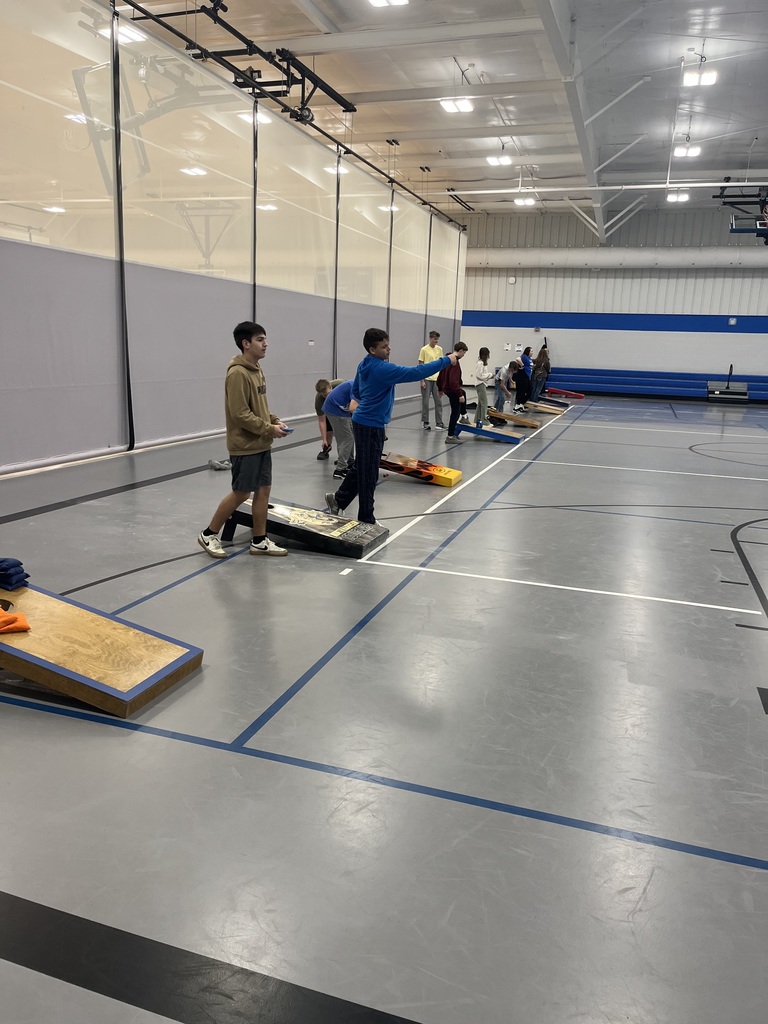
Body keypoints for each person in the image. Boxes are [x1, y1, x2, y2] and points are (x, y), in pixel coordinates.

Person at [325, 328, 456, 524]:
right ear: (372, 350)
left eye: (388, 345)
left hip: (364, 421)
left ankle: (338, 499)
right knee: (369, 474)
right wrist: (446, 361)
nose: (389, 349)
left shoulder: (365, 363)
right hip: (370, 425)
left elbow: (357, 390)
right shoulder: (381, 368)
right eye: (384, 347)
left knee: (363, 467)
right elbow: (416, 372)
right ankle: (366, 517)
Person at [198, 321, 291, 559]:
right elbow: (240, 414)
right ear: (246, 343)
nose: (265, 344)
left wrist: (274, 421)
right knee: (241, 493)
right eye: (260, 340)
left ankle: (259, 541)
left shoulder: (257, 369)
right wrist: (268, 429)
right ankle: (209, 533)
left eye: (265, 339)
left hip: (261, 443)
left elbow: (260, 407)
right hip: (245, 445)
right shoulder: (237, 373)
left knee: (263, 490)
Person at [322, 379, 358, 480]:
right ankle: (340, 470)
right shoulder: (356, 387)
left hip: (339, 409)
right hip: (336, 411)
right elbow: (353, 407)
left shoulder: (355, 383)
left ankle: (350, 463)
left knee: (349, 435)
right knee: (347, 438)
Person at [437, 342, 469, 443]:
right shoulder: (455, 362)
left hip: (447, 389)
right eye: (464, 353)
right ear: (460, 351)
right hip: (452, 389)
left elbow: (440, 374)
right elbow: (453, 380)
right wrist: (459, 394)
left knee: (463, 393)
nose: (464, 355)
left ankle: (464, 415)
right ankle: (450, 436)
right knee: (455, 412)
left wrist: (440, 388)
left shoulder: (447, 359)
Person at [418, 330, 445, 430]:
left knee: (438, 401)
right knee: (425, 401)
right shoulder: (424, 350)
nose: (436, 342)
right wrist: (421, 380)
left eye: (437, 340)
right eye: (434, 339)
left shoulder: (439, 349)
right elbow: (420, 365)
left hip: (437, 379)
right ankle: (425, 421)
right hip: (427, 378)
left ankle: (439, 422)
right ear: (430, 338)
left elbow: (441, 364)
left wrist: (442, 380)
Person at [315, 379, 342, 460]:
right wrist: (324, 440)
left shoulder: (340, 385)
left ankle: (344, 456)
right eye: (324, 396)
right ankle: (326, 448)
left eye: (328, 394)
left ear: (331, 387)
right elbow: (322, 421)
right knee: (328, 423)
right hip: (331, 409)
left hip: (345, 404)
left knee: (344, 432)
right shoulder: (319, 400)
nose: (327, 397)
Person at [473, 347, 494, 426]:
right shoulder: (480, 363)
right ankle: (484, 420)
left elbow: (482, 375)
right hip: (480, 384)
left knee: (480, 403)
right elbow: (479, 375)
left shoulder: (483, 363)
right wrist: (489, 375)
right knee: (484, 403)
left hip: (482, 383)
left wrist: (488, 376)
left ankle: (477, 419)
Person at [514, 346, 533, 411]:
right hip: (523, 376)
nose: (532, 352)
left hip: (528, 377)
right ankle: (518, 405)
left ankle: (521, 404)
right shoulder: (524, 356)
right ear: (528, 351)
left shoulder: (529, 358)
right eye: (531, 351)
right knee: (521, 391)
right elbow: (517, 359)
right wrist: (522, 365)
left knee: (529, 391)